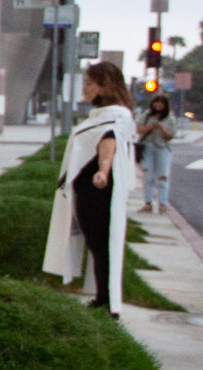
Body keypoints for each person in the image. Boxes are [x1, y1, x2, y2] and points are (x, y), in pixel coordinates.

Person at [46, 59, 137, 315]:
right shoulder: (104, 115)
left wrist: (102, 171)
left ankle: (106, 302)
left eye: (89, 83)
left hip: (98, 191)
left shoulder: (116, 117)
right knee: (97, 246)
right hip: (88, 189)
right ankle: (102, 298)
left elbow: (108, 144)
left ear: (105, 85)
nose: (84, 87)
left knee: (101, 245)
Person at [136, 93, 176, 214]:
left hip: (163, 148)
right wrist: (150, 127)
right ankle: (148, 203)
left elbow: (170, 136)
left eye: (161, 103)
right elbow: (138, 129)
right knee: (148, 176)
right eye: (156, 102)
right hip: (148, 147)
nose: (158, 105)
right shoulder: (147, 115)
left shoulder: (169, 118)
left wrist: (162, 128)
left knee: (163, 176)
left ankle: (162, 204)